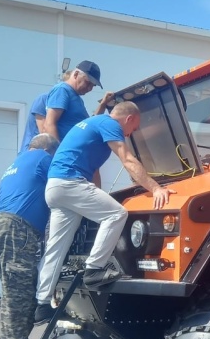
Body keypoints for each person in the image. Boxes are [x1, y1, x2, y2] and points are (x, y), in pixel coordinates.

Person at [33, 101, 174, 324]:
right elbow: (127, 159)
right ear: (128, 119)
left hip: (55, 186)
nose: (132, 133)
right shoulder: (110, 124)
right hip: (71, 182)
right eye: (134, 128)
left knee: (56, 247)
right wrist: (156, 187)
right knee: (116, 214)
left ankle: (42, 305)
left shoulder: (90, 122)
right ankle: (95, 269)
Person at [0, 133, 60, 339]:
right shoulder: (42, 159)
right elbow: (65, 181)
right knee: (19, 290)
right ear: (49, 150)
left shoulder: (17, 163)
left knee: (13, 287)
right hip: (16, 228)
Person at [43, 60, 104, 142]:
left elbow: (89, 125)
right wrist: (57, 152)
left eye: (93, 86)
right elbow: (49, 124)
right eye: (88, 83)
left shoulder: (77, 98)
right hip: (65, 152)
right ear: (76, 74)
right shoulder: (62, 90)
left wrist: (103, 104)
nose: (90, 88)